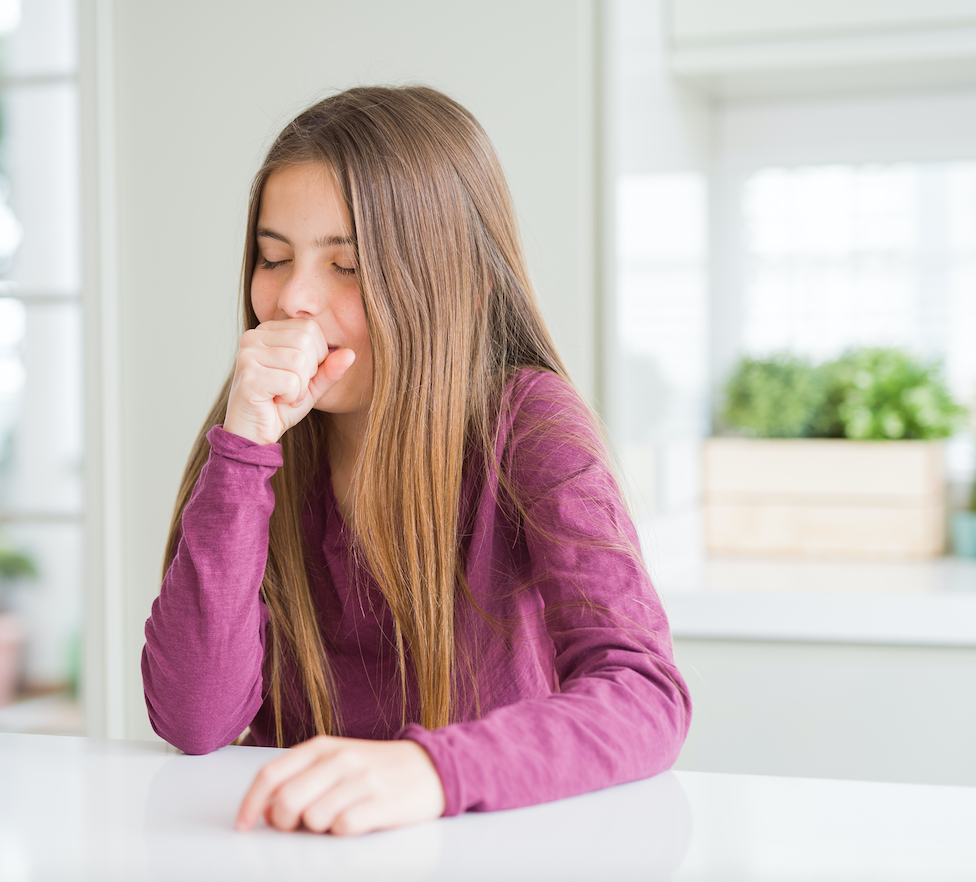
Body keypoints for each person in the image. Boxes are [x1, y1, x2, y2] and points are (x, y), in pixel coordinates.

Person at [140, 85, 691, 837]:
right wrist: (240, 457)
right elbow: (195, 719)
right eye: (273, 258)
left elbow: (646, 696)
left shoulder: (527, 423)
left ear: (451, 281)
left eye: (348, 266)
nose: (291, 298)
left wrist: (431, 769)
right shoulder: (255, 436)